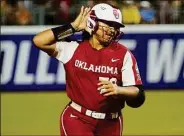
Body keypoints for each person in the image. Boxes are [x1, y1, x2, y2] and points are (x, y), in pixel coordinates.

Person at [33, 3, 145, 136]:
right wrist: (72, 27)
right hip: (77, 119)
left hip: (111, 123)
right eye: (108, 24)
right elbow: (39, 41)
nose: (112, 30)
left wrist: (118, 90)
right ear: (93, 22)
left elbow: (138, 92)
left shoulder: (124, 54)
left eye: (115, 27)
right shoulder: (73, 49)